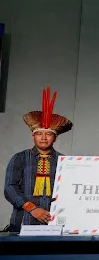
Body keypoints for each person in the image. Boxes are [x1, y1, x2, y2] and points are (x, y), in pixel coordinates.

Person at [4, 87, 73, 232]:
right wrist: (33, 209)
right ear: (33, 136)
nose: (43, 137)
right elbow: (10, 188)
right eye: (39, 133)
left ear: (55, 137)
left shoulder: (65, 161)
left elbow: (71, 191)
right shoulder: (20, 158)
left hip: (55, 221)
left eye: (48, 134)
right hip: (23, 220)